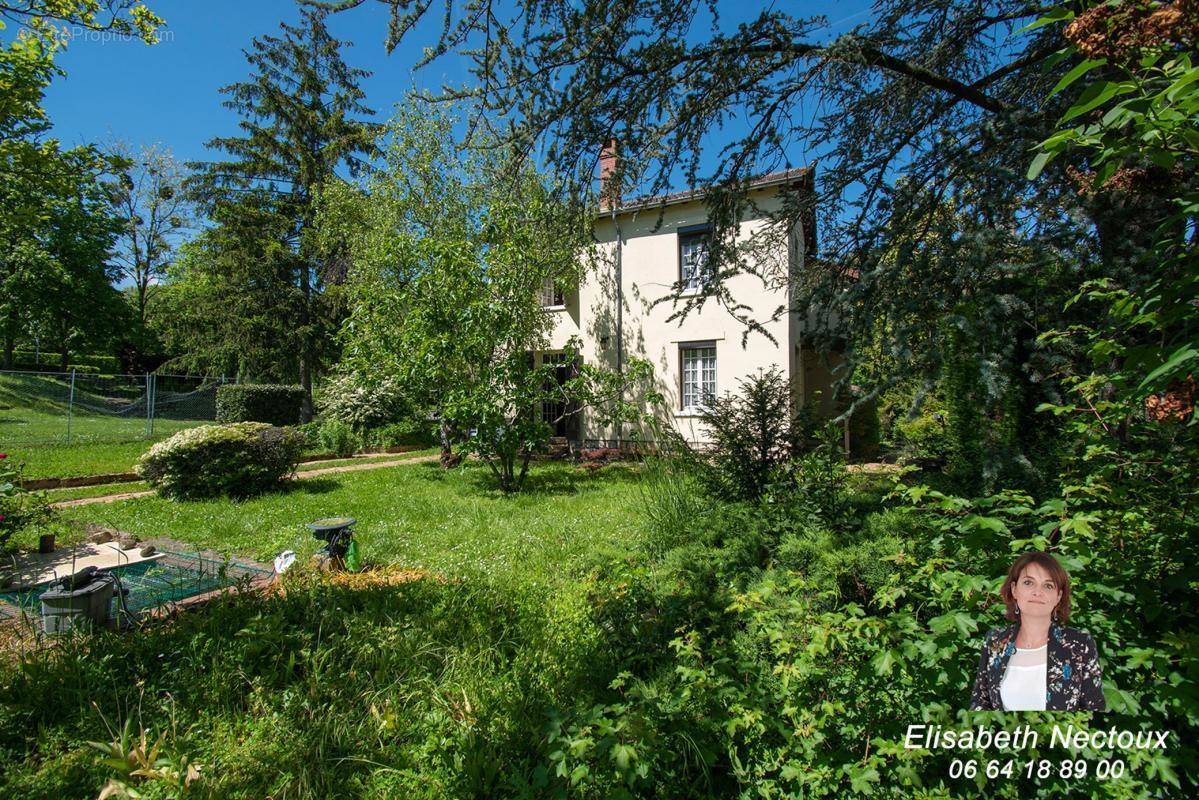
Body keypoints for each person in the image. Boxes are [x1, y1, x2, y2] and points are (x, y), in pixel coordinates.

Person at [970, 551, 1105, 711]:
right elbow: (979, 706)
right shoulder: (995, 641)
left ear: (1058, 596)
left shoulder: (1079, 644)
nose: (1037, 592)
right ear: (1014, 590)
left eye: (1048, 586)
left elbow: (1093, 713)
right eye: (1028, 583)